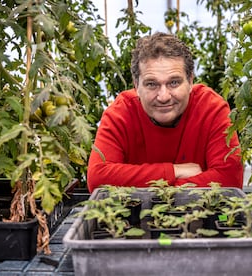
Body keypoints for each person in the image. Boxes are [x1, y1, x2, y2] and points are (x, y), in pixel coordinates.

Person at [87, 32, 243, 192]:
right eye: (151, 84)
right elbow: (98, 179)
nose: (163, 96)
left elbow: (229, 180)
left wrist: (148, 186)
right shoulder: (121, 113)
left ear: (190, 82)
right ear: (136, 86)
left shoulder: (211, 108)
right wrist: (174, 171)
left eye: (174, 82)